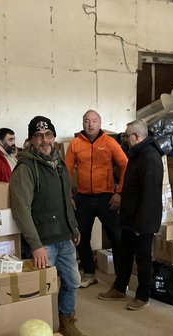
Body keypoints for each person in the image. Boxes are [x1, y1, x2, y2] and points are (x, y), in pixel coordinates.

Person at [10, 116, 92, 336]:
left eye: (48, 135)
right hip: (44, 242)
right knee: (41, 291)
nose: (44, 140)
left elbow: (67, 199)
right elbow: (21, 209)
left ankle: (66, 322)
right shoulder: (26, 168)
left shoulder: (59, 163)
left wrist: (73, 227)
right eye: (38, 136)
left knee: (72, 281)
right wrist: (35, 244)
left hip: (64, 237)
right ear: (30, 140)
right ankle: (39, 334)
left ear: (53, 137)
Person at [97, 119, 163, 311]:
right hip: (129, 218)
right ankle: (119, 288)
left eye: (127, 136)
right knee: (124, 254)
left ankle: (143, 296)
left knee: (142, 259)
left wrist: (141, 225)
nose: (125, 139)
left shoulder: (150, 158)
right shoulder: (136, 154)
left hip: (142, 221)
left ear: (137, 136)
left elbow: (150, 196)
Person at [65, 110, 128, 288]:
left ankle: (121, 278)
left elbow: (126, 165)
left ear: (100, 124)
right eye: (86, 121)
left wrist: (119, 192)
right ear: (82, 123)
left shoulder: (109, 142)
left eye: (94, 121)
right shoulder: (75, 144)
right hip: (83, 199)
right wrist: (68, 195)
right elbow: (66, 171)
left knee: (117, 237)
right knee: (81, 238)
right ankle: (89, 273)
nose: (90, 124)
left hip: (106, 198)